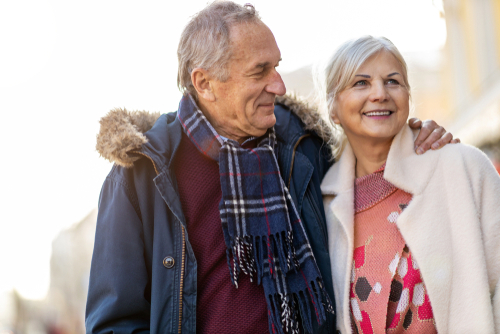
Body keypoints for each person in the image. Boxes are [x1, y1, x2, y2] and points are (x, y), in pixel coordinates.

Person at [86, 2, 456, 333]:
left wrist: (414, 139)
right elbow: (112, 322)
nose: (278, 85)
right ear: (205, 83)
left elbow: (373, 171)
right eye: (259, 71)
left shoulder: (304, 148)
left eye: (276, 67)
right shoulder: (141, 175)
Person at [320, 35, 500, 333]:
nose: (380, 93)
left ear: (407, 96)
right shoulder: (324, 202)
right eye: (361, 83)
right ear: (333, 109)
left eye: (392, 81)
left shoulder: (462, 167)